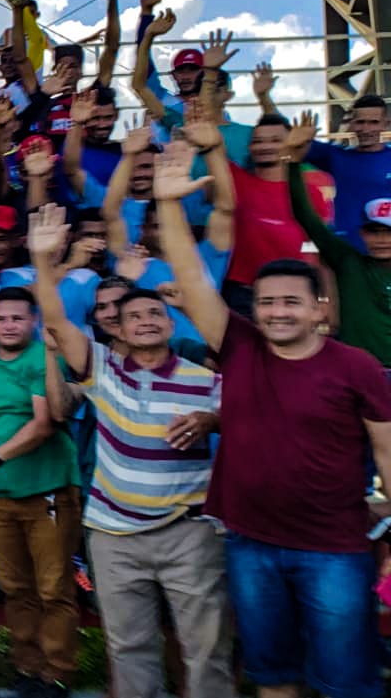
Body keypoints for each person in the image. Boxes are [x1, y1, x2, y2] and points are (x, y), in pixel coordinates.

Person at [155, 138, 391, 698]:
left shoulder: (356, 366)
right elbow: (191, 280)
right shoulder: (238, 345)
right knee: (272, 678)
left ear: (319, 309)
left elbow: (387, 452)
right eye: (266, 302)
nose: (277, 311)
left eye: (291, 302)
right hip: (251, 545)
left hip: (334, 550)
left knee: (345, 682)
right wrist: (167, 204)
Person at [28, 201, 231, 698]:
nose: (145, 320)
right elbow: (53, 319)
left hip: (189, 534)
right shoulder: (101, 369)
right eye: (132, 315)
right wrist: (42, 260)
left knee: (207, 650)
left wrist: (210, 419)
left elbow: (244, 417)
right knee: (129, 649)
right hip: (115, 538)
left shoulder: (204, 379)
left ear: (170, 323)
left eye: (155, 313)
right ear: (114, 328)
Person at [0, 285, 80, 698]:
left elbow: (44, 422)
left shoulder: (43, 357)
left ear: (33, 321)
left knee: (54, 588)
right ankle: (28, 670)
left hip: (46, 486)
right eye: (1, 318)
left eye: (18, 317)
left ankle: (58, 673)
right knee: (15, 589)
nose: (9, 325)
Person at [284, 113, 391, 366]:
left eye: (389, 232)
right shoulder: (348, 262)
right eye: (375, 232)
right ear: (362, 233)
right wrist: (292, 164)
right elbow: (305, 216)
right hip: (357, 376)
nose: (383, 240)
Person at [302, 94, 391, 248]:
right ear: (351, 124)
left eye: (373, 122)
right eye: (360, 122)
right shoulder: (336, 157)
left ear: (386, 124)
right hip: (347, 254)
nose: (366, 129)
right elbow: (281, 135)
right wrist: (265, 99)